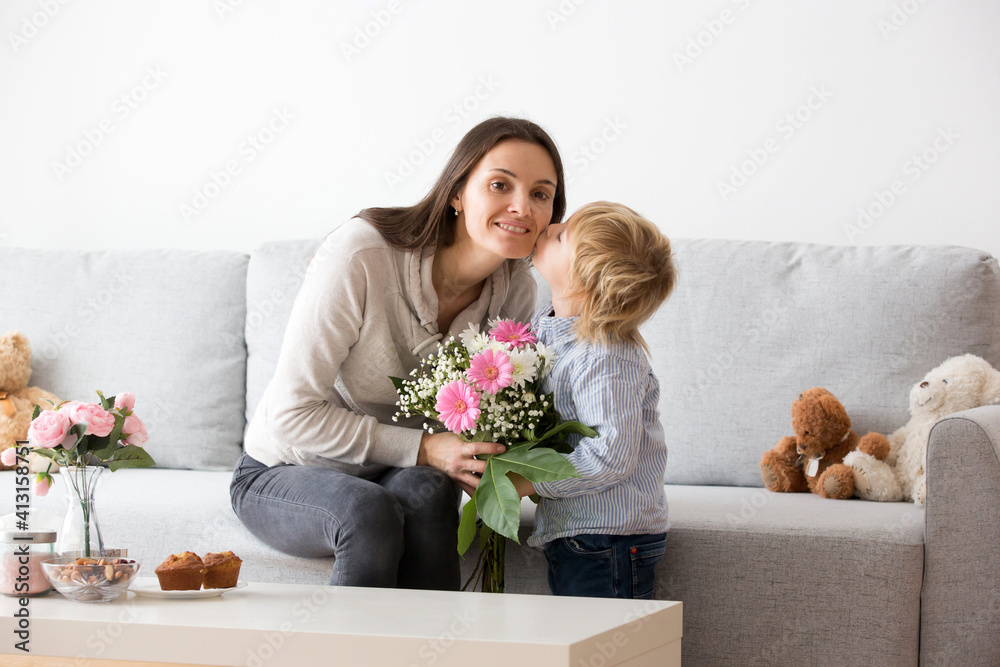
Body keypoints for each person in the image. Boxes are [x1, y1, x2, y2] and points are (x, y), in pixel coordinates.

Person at [230, 117, 566, 590]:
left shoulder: (515, 289)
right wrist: (426, 448)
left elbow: (486, 410)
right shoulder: (362, 256)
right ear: (456, 192)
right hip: (286, 470)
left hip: (397, 471)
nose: (521, 207)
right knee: (367, 511)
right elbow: (290, 414)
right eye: (499, 184)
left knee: (429, 494)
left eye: (540, 194)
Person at [509, 201, 677, 599]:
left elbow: (611, 455)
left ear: (584, 281)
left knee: (607, 653)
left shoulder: (606, 357)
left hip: (608, 539)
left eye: (563, 234)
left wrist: (531, 481)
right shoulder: (549, 332)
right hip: (581, 534)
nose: (549, 227)